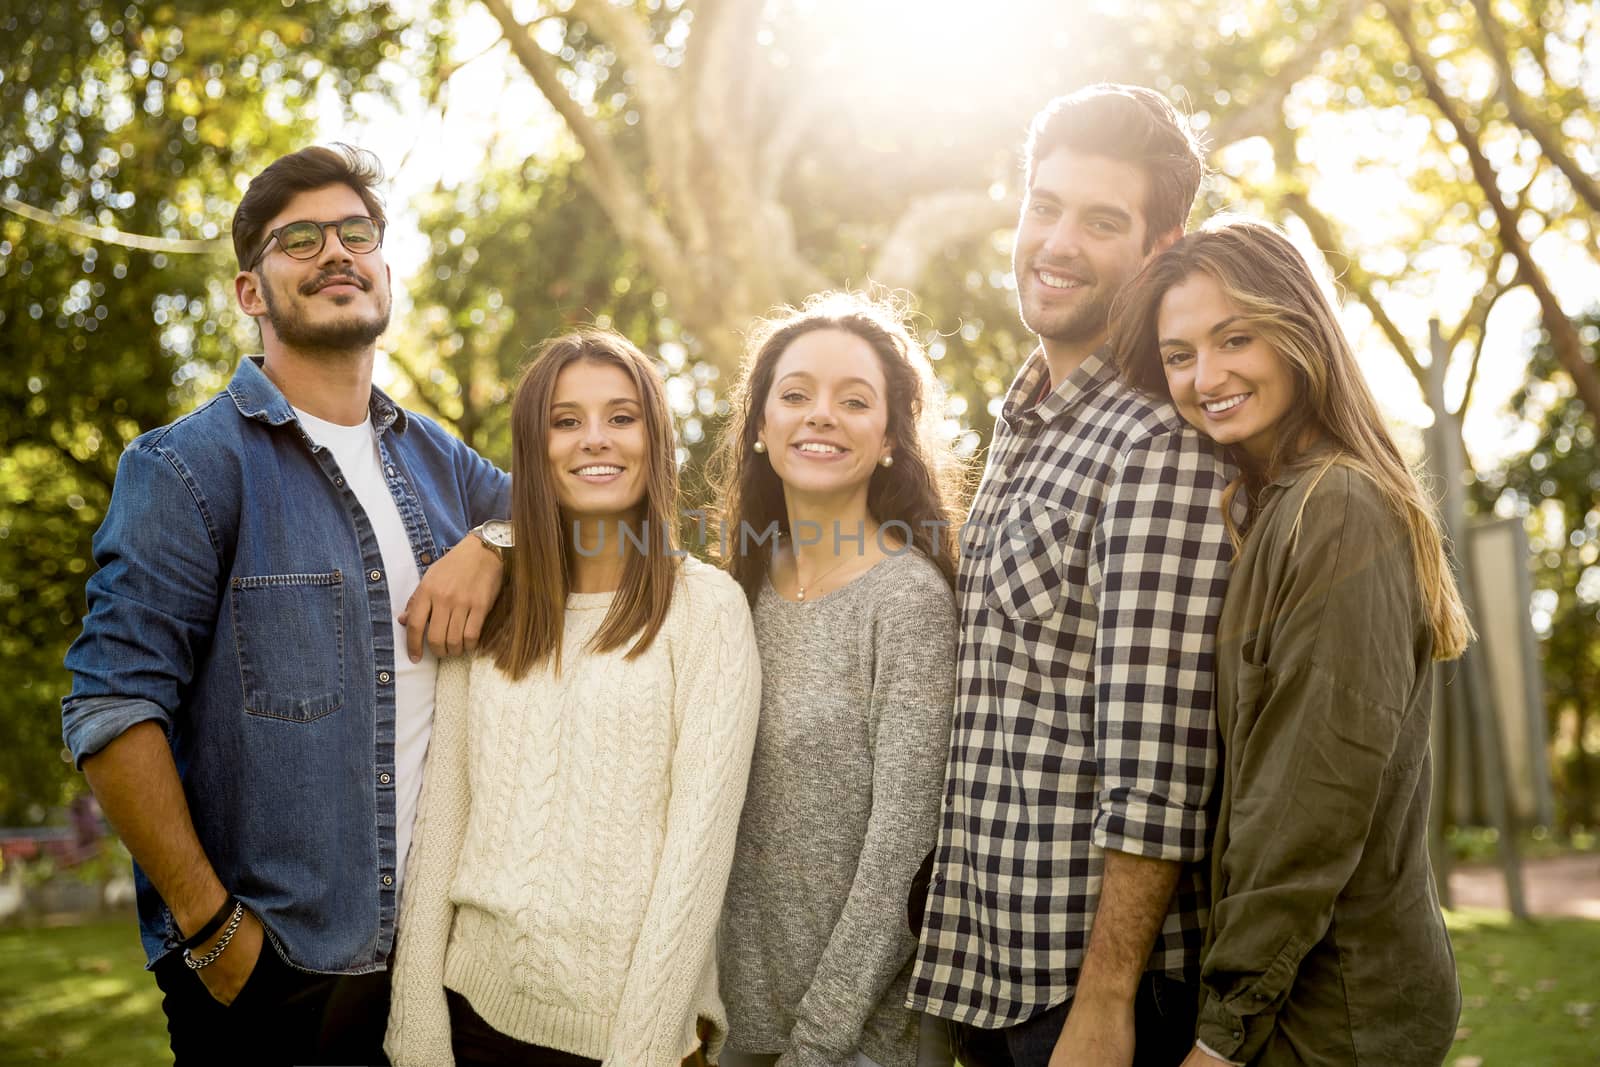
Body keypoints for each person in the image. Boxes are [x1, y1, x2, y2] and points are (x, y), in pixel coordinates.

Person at [61, 144, 511, 1065]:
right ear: (250, 292)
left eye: (357, 233)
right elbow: (109, 709)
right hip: (278, 977)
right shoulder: (187, 467)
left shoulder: (442, 464)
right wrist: (215, 930)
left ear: (385, 268)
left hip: (440, 969)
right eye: (299, 239)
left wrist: (499, 540)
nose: (336, 252)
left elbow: (607, 521)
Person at [906, 84, 1234, 1067]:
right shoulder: (1025, 424)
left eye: (1100, 221)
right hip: (988, 972)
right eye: (1042, 207)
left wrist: (1104, 1002)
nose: (1055, 242)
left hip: (1087, 1001)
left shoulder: (1154, 443)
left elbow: (1160, 765)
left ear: (1159, 246)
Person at [1109, 218, 1469, 1067]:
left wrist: (1222, 1032)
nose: (1207, 376)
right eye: (1180, 354)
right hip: (1304, 992)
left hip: (1332, 1008)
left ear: (1299, 329)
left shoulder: (1336, 508)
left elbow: (1310, 800)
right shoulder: (1279, 502)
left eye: (1236, 338)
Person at [384, 328, 763, 1067]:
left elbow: (699, 855)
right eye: (566, 420)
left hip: (629, 1038)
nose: (596, 439)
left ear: (654, 439)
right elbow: (443, 825)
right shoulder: (494, 607)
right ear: (536, 446)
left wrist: (643, 1051)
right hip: (473, 1019)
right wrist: (417, 1028)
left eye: (622, 417)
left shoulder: (706, 609)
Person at [711, 292, 962, 1067]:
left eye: (854, 401)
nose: (821, 415)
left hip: (854, 1045)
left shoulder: (908, 601)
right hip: (726, 1031)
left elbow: (905, 849)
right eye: (795, 395)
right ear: (760, 427)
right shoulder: (734, 593)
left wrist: (818, 1043)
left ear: (889, 437)